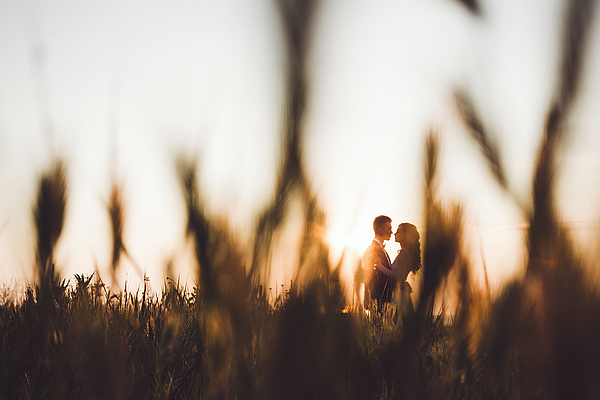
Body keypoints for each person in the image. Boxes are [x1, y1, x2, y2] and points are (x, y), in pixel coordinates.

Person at [372, 222, 421, 311]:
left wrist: (379, 266)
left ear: (406, 235)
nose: (394, 233)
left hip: (400, 295)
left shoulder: (405, 252)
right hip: (399, 293)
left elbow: (399, 276)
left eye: (398, 232)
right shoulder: (403, 252)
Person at [362, 215, 394, 307]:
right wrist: (374, 301)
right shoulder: (373, 250)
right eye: (389, 229)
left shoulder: (380, 249)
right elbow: (369, 276)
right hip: (377, 300)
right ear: (380, 230)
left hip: (383, 300)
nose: (391, 232)